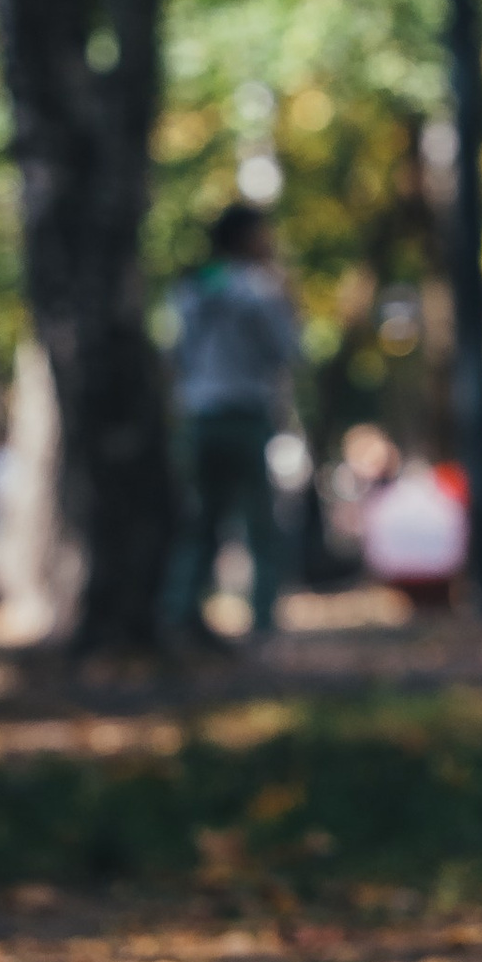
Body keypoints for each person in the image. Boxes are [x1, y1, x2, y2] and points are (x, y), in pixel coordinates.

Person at [163, 203, 300, 643]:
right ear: (244, 238)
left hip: (199, 416)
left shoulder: (191, 288)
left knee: (201, 521)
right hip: (244, 414)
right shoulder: (258, 288)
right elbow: (287, 350)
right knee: (259, 523)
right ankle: (262, 621)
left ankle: (180, 612)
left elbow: (174, 353)